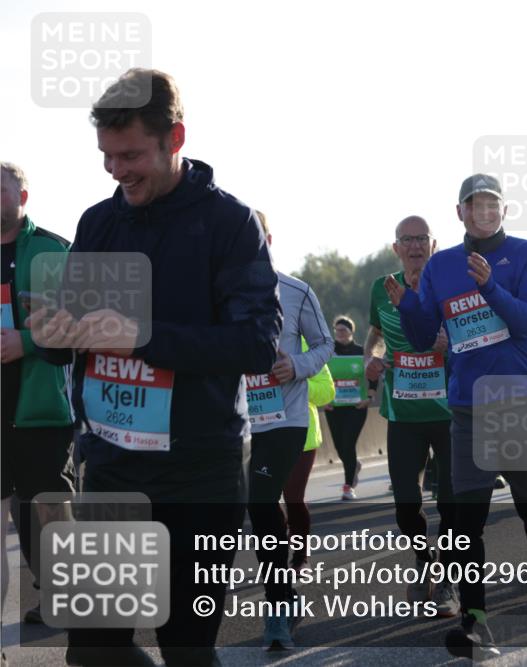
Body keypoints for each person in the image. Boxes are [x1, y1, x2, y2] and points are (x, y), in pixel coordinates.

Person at [27, 68, 282, 667]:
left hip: (201, 472)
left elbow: (256, 345)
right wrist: (54, 336)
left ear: (176, 139)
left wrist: (144, 337)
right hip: (114, 468)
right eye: (107, 157)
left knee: (186, 651)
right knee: (93, 650)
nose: (117, 171)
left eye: (131, 155)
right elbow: (76, 340)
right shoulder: (98, 223)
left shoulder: (230, 224)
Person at [390, 173, 527, 660]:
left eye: (491, 204)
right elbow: (424, 337)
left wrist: (490, 289)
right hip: (467, 406)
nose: (482, 212)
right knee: (465, 520)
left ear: (504, 211)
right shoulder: (441, 265)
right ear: (460, 212)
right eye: (473, 205)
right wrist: (407, 310)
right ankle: (476, 622)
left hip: (522, 398)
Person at [363, 215, 459, 615]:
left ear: (434, 245)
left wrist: (449, 343)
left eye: (422, 239)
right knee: (406, 503)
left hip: (451, 412)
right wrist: (371, 357)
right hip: (402, 414)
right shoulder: (381, 289)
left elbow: (477, 336)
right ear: (396, 248)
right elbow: (375, 336)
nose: (416, 246)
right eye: (408, 240)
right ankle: (424, 562)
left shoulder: (451, 285)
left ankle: (451, 580)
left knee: (453, 501)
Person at [247, 211, 333, 650]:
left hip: (286, 418)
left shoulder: (296, 291)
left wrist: (295, 365)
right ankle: (286, 592)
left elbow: (325, 343)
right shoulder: (215, 292)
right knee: (252, 511)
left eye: (254, 236)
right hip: (239, 420)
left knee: (261, 502)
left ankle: (277, 608)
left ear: (268, 239)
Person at [0, 162, 75, 626]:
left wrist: (24, 342)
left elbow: (79, 327)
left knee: (49, 509)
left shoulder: (53, 251)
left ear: (21, 198)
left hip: (42, 410)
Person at [282, 337, 335, 573]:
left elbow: (327, 391)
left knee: (293, 498)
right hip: (260, 435)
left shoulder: (307, 346)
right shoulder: (250, 337)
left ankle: (300, 557)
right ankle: (275, 555)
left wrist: (297, 380)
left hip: (301, 437)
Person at [324, 316, 370, 500]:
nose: (340, 334)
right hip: (333, 407)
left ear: (352, 331)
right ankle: (354, 465)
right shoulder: (328, 352)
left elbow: (373, 374)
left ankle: (348, 486)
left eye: (344, 330)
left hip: (356, 406)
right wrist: (323, 399)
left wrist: (370, 396)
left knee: (348, 444)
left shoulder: (362, 351)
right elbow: (319, 375)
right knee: (339, 447)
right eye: (337, 330)